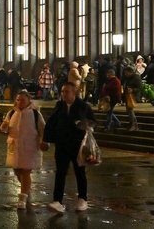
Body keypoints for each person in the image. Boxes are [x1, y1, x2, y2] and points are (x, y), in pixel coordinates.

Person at [43, 82, 96, 213]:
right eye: (62, 91)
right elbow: (51, 122)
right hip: (62, 145)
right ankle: (57, 201)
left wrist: (84, 124)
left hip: (77, 145)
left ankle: (83, 199)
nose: (64, 94)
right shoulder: (60, 106)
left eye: (67, 91)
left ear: (74, 92)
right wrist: (46, 139)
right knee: (60, 173)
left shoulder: (83, 106)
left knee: (80, 172)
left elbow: (93, 122)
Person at [0, 89, 47, 210]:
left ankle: (22, 198)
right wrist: (4, 127)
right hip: (14, 147)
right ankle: (26, 189)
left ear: (28, 101)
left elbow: (42, 129)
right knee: (17, 171)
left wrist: (43, 141)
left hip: (30, 147)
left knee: (26, 171)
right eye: (18, 100)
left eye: (22, 100)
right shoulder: (11, 113)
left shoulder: (36, 114)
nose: (20, 102)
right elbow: (6, 126)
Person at [122, 66, 141, 131]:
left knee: (130, 110)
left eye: (126, 73)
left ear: (131, 72)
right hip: (127, 96)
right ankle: (132, 124)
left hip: (133, 96)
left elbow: (139, 88)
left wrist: (133, 90)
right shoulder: (128, 78)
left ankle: (134, 125)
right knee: (129, 111)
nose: (125, 74)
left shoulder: (136, 78)